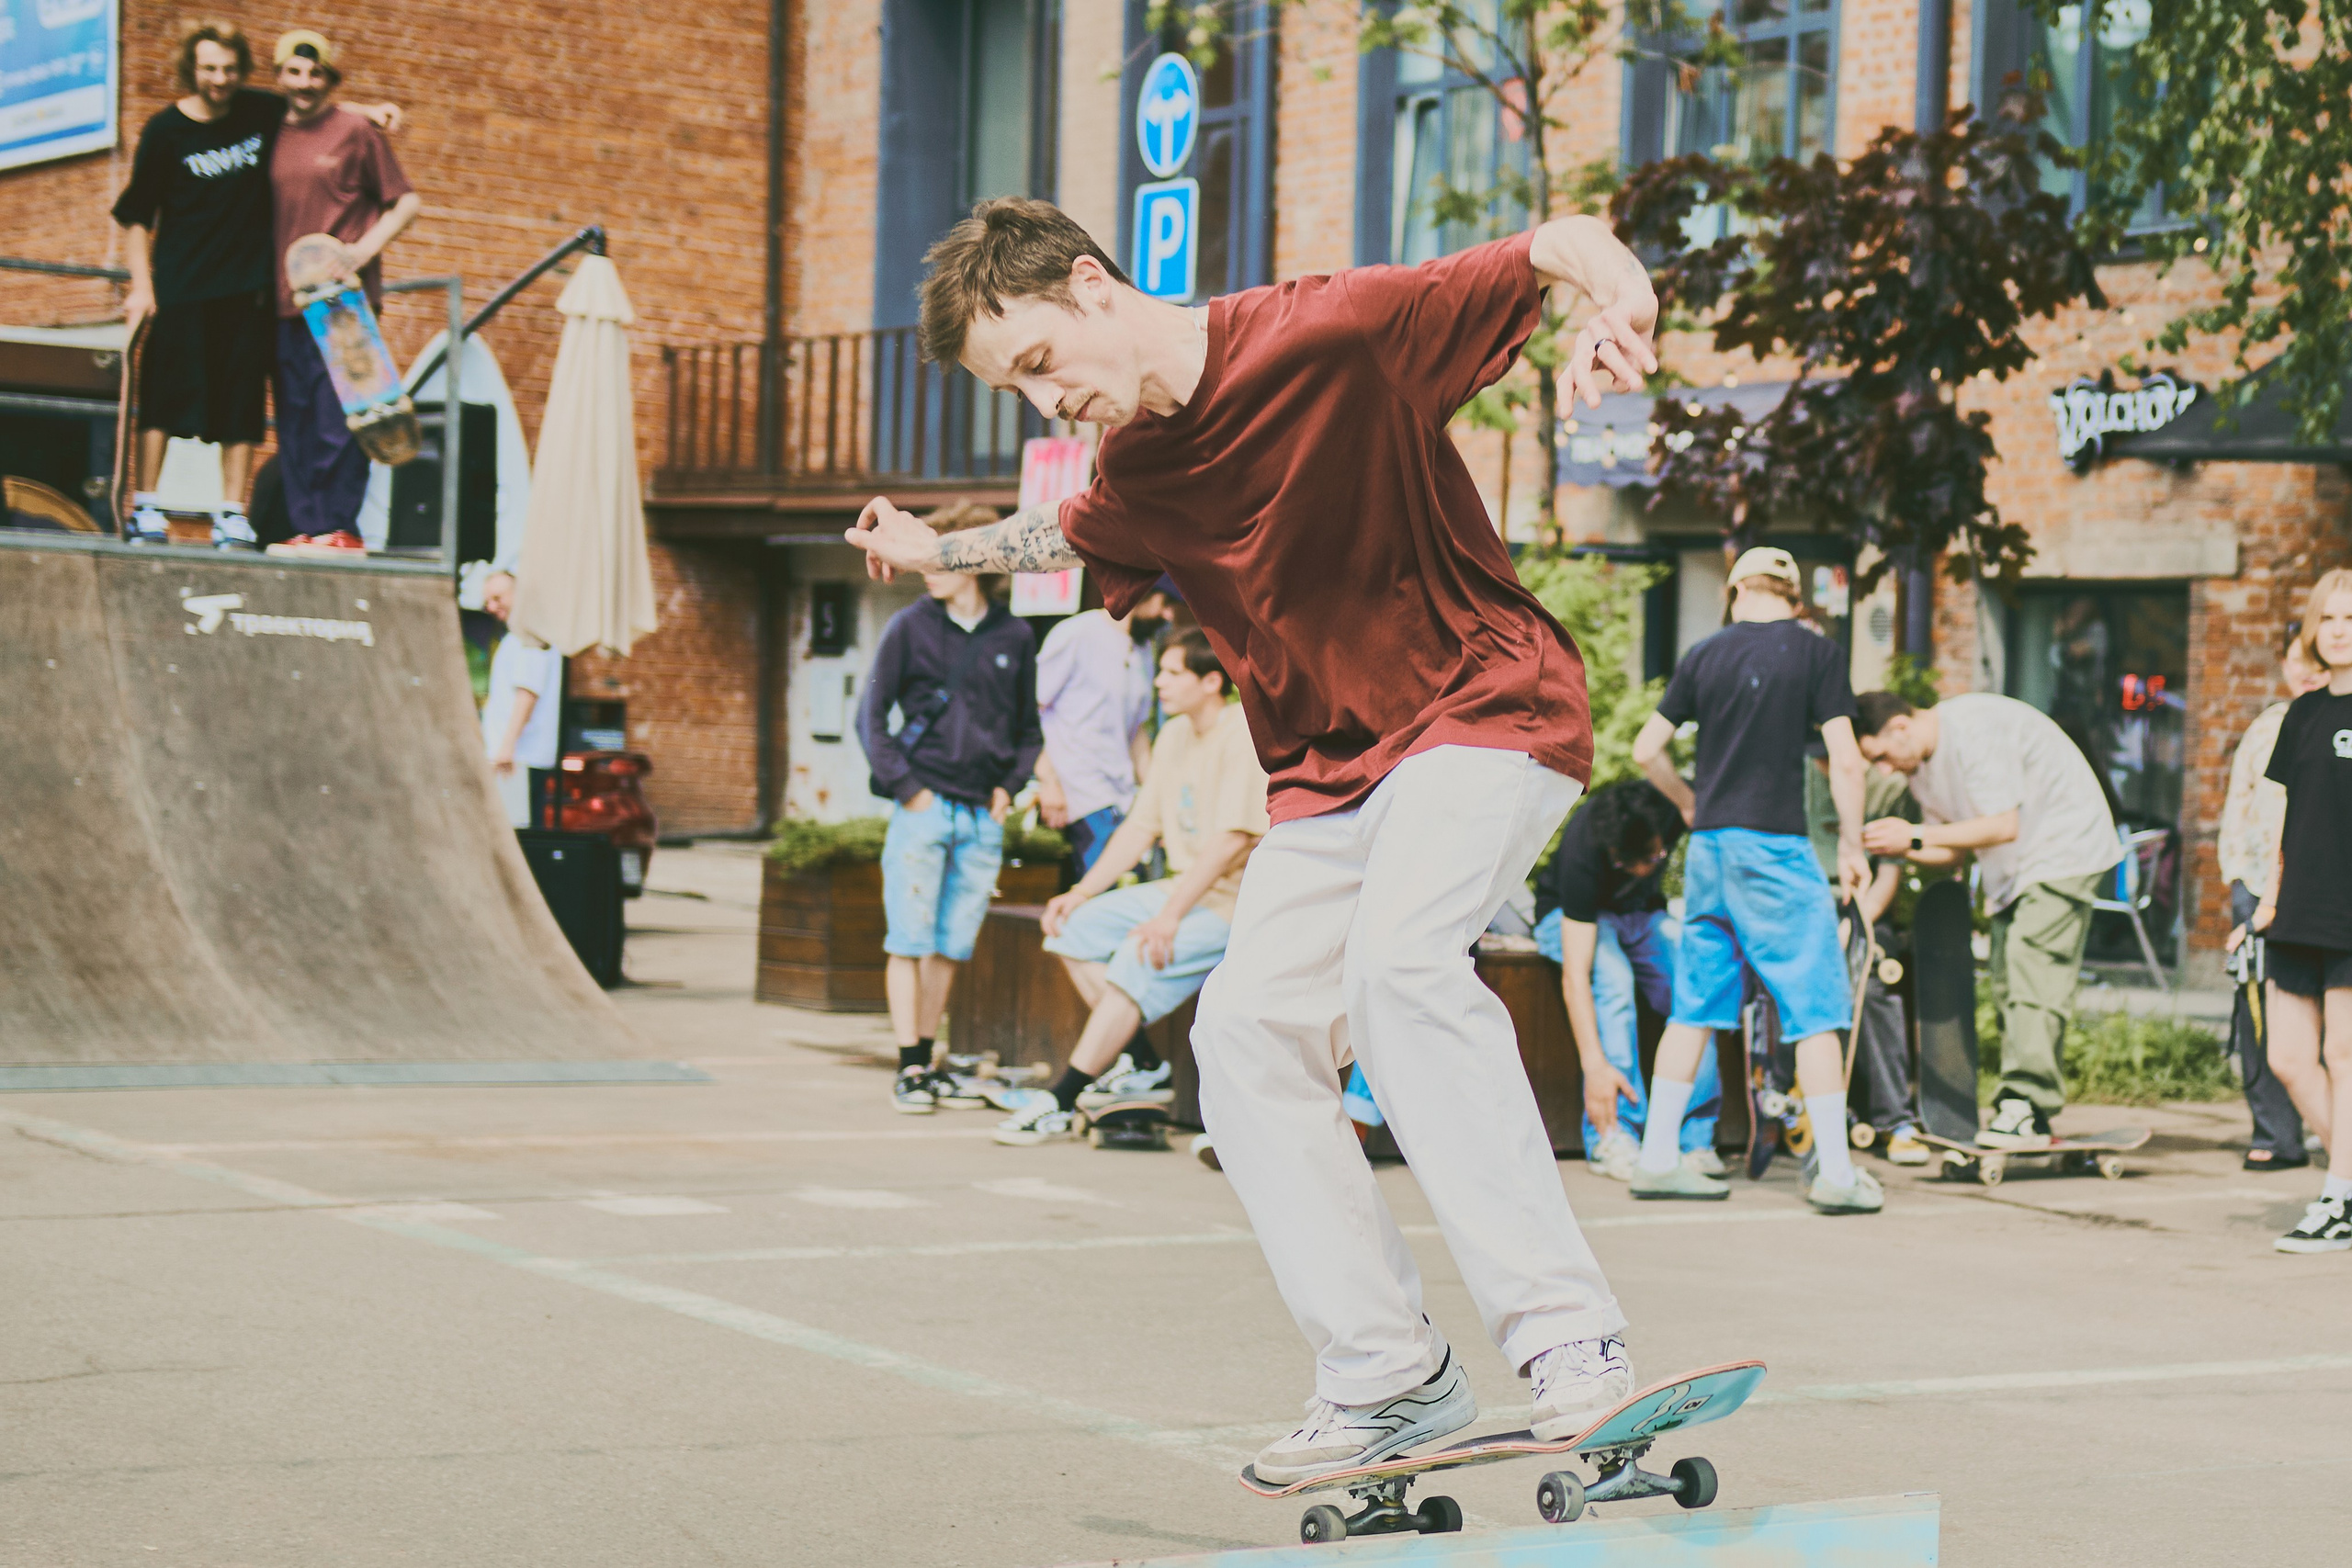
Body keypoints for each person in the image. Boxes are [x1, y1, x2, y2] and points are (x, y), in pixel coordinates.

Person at [844, 196, 1660, 1481]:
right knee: (1239, 1034)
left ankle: (1568, 1338)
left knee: (1398, 971)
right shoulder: (1139, 470)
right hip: (1328, 777)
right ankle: (1388, 1373)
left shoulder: (1334, 331)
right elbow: (1069, 528)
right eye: (1017, 391)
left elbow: (1551, 243)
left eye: (1042, 363)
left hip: (1483, 707)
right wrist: (938, 543)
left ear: (1092, 284)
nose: (1047, 402)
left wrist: (1621, 296)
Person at [1626, 547, 1875, 1213]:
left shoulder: (1703, 654)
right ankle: (1838, 1175)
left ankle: (1656, 1159)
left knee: (1694, 1006)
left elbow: (1646, 749)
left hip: (1711, 850)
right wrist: (1853, 844)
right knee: (1815, 1006)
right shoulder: (1816, 652)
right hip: (1775, 848)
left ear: (1734, 592)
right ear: (1794, 596)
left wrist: (1688, 801)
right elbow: (1847, 761)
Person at [109, 21, 400, 550]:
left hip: (248, 292)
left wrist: (368, 111)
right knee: (163, 399)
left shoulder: (254, 112)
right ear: (192, 69)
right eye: (208, 68)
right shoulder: (164, 130)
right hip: (181, 286)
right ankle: (147, 507)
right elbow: (134, 216)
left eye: (228, 69)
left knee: (243, 404)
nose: (219, 79)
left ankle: (231, 514)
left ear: (241, 72)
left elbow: (311, 105)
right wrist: (142, 287)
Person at [996, 630, 1269, 1145]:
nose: (1158, 682)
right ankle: (1142, 1063)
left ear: (1211, 682)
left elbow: (1232, 840)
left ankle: (1062, 1099)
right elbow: (1141, 826)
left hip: (1236, 904)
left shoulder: (1243, 734)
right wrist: (1081, 893)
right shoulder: (1174, 734)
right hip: (1183, 888)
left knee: (1134, 958)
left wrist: (1169, 917)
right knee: (1071, 928)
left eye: (1172, 672)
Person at [1853, 689, 2122, 1149]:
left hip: (2063, 848)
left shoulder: (1973, 730)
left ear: (1900, 727)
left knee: (2031, 968)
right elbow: (1951, 851)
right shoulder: (1921, 772)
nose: (1883, 769)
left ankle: (2027, 1103)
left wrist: (1913, 834)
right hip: (2014, 869)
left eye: (1880, 756)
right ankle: (2026, 1110)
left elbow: (2001, 825)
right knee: (2004, 981)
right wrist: (1895, 848)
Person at [856, 502, 1042, 1114]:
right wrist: (907, 787)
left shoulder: (1015, 636)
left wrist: (1009, 786)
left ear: (978, 558)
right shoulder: (910, 627)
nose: (927, 565)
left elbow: (1028, 730)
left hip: (982, 814)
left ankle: (926, 1059)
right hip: (925, 805)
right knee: (908, 939)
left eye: (940, 551)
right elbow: (870, 716)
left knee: (950, 945)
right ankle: (909, 1066)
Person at [263, 29, 421, 559]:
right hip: (283, 301)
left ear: (330, 78)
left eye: (316, 73)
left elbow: (406, 203)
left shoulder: (356, 132)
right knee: (295, 419)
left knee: (343, 416)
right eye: (294, 72)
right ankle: (307, 528)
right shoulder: (268, 130)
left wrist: (361, 251)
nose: (304, 82)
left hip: (342, 301)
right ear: (279, 76)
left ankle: (340, 528)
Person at [1531, 780, 1719, 1181]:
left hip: (1642, 915)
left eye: (1653, 858)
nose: (1645, 870)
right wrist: (1595, 1066)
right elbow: (1577, 975)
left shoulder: (1671, 806)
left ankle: (1695, 1139)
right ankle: (1614, 1135)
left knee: (1694, 980)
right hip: (1571, 918)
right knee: (1613, 977)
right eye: (1632, 864)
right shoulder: (1584, 849)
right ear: (1613, 854)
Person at [2249, 569, 2352, 1254]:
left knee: (2344, 1054)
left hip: (2349, 911)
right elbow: (2287, 819)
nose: (2339, 631)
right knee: (2288, 1057)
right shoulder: (2303, 713)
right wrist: (2268, 898)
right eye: (2329, 619)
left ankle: (2338, 1197)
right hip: (2299, 906)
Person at [2218, 624, 2324, 1171]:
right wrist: (2238, 877)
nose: (2306, 670)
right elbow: (2239, 803)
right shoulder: (2267, 728)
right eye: (2296, 658)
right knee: (2259, 1020)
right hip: (2258, 886)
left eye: (2316, 660)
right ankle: (2277, 1134)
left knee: (2324, 1022)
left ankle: (2329, 1129)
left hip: (2319, 894)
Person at [1804, 746, 1927, 1165]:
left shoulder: (1887, 787)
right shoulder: (1792, 776)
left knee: (1872, 983)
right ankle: (1795, 1112)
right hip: (1804, 909)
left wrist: (1856, 923)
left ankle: (1897, 1120)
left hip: (1863, 910)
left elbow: (1888, 875)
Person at [1034, 583, 1175, 873]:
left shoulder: (1143, 649)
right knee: (1096, 890)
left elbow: (1136, 732)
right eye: (1166, 604)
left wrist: (1157, 799)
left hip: (1122, 797)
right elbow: (1035, 710)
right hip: (1079, 793)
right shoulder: (1076, 633)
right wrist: (1048, 782)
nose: (1169, 615)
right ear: (1142, 595)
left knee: (1123, 887)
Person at [478, 572, 561, 828]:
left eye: (497, 598)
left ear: (518, 594)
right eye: (487, 602)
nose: (491, 607)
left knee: (517, 834)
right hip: (517, 757)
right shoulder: (523, 635)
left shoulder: (529, 637)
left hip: (519, 758)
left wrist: (506, 747)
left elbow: (528, 692)